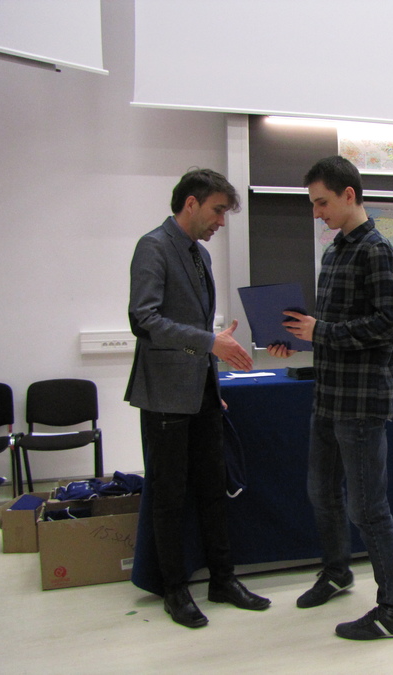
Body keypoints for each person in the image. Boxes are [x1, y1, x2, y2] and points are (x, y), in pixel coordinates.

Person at [267, 155, 393, 641]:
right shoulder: (334, 252)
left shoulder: (377, 250)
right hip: (328, 395)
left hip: (361, 402)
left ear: (349, 195)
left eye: (322, 202)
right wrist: (298, 338)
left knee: (368, 508)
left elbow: (391, 325)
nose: (317, 213)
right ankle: (336, 572)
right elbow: (333, 327)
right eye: (313, 204)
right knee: (322, 493)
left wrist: (322, 331)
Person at [125, 168, 271, 628]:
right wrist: (210, 343)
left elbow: (193, 326)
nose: (221, 222)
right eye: (218, 210)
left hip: (201, 392)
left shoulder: (199, 255)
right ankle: (174, 590)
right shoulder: (153, 247)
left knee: (212, 490)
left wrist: (211, 382)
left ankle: (222, 580)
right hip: (165, 395)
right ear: (191, 203)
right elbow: (144, 320)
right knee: (169, 496)